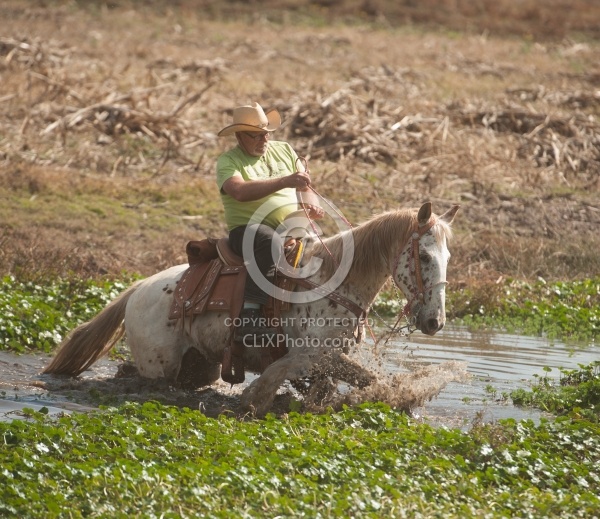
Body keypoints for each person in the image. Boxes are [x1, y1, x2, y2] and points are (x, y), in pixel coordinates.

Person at [216, 102, 323, 341]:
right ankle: (249, 315)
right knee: (267, 241)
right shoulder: (228, 161)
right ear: (240, 136)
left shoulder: (284, 149)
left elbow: (304, 184)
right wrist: (284, 181)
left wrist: (310, 203)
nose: (264, 140)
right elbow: (239, 191)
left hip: (293, 226)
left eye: (266, 134)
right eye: (256, 135)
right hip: (248, 230)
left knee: (324, 248)